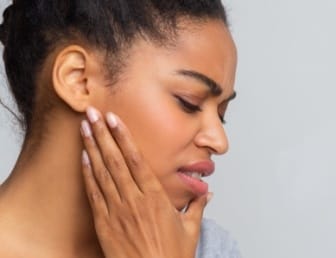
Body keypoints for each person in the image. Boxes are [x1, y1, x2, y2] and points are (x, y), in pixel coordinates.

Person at [0, 0, 240, 257]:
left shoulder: (207, 249)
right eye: (189, 102)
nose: (220, 142)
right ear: (78, 80)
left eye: (221, 114)